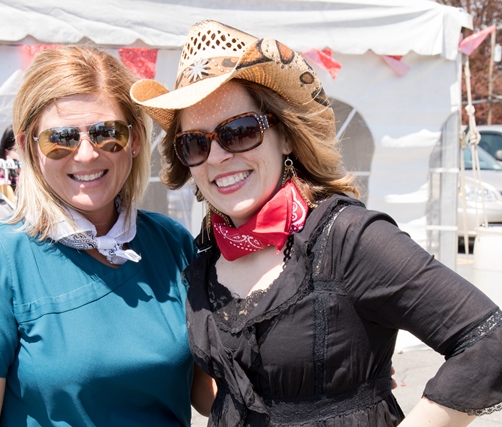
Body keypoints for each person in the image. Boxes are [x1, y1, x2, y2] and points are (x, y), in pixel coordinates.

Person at [131, 20, 502, 426]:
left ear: (286, 136)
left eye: (238, 132)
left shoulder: (346, 238)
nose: (217, 156)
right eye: (196, 142)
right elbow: (228, 394)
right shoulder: (206, 256)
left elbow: (489, 341)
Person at [0, 45, 214, 426]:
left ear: (136, 140)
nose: (85, 154)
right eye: (60, 138)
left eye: (106, 133)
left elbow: (209, 394)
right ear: (30, 147)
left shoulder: (172, 242)